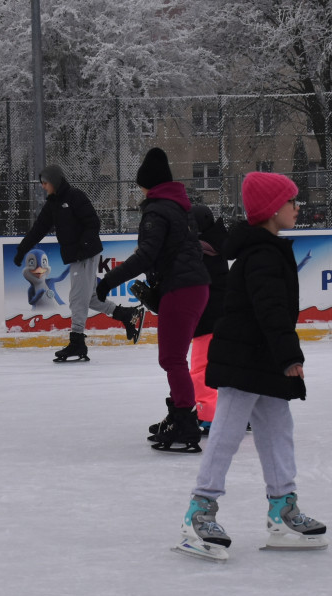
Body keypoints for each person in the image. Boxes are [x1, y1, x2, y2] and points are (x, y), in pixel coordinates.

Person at [174, 172, 327, 562]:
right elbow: (271, 310)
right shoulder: (261, 255)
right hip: (245, 359)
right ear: (274, 209)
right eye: (293, 201)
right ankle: (199, 512)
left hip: (262, 361)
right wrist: (291, 356)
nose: (297, 207)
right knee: (225, 434)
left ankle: (282, 510)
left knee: (279, 432)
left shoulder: (267, 249)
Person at [96, 148, 210, 451]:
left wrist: (109, 281)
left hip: (182, 289)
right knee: (173, 358)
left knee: (171, 358)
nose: (141, 191)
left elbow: (146, 255)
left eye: (141, 186)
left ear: (149, 184)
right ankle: (180, 413)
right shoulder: (181, 208)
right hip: (195, 288)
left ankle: (185, 420)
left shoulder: (157, 211)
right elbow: (185, 252)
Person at [13, 164, 144, 362]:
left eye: (45, 183)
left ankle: (77, 342)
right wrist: (22, 250)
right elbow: (38, 229)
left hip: (85, 254)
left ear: (55, 181)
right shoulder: (53, 204)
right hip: (77, 256)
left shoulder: (75, 197)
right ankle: (127, 315)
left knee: (77, 299)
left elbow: (93, 222)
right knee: (89, 298)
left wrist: (83, 245)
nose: (43, 186)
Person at [189, 204, 229, 434]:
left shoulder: (201, 252)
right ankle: (236, 412)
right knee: (225, 367)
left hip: (208, 320)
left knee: (201, 369)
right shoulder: (216, 246)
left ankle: (208, 415)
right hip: (223, 319)